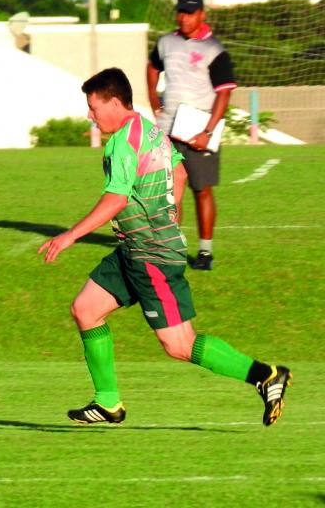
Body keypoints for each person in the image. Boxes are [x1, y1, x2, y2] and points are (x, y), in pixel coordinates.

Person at [39, 68, 290, 426]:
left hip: (152, 255)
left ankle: (265, 375)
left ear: (113, 102)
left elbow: (115, 199)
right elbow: (182, 172)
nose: (90, 116)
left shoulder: (123, 141)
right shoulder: (149, 130)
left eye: (94, 108)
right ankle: (108, 402)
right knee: (85, 309)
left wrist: (69, 236)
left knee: (179, 345)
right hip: (135, 249)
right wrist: (169, 216)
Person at [146, 0, 236, 270]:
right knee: (171, 190)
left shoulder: (215, 49)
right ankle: (171, 248)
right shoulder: (166, 42)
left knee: (203, 190)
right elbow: (152, 67)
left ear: (202, 15)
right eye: (181, 12)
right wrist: (153, 97)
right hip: (168, 129)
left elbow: (224, 94)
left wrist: (207, 132)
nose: (185, 18)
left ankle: (205, 253)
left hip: (199, 130)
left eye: (191, 12)